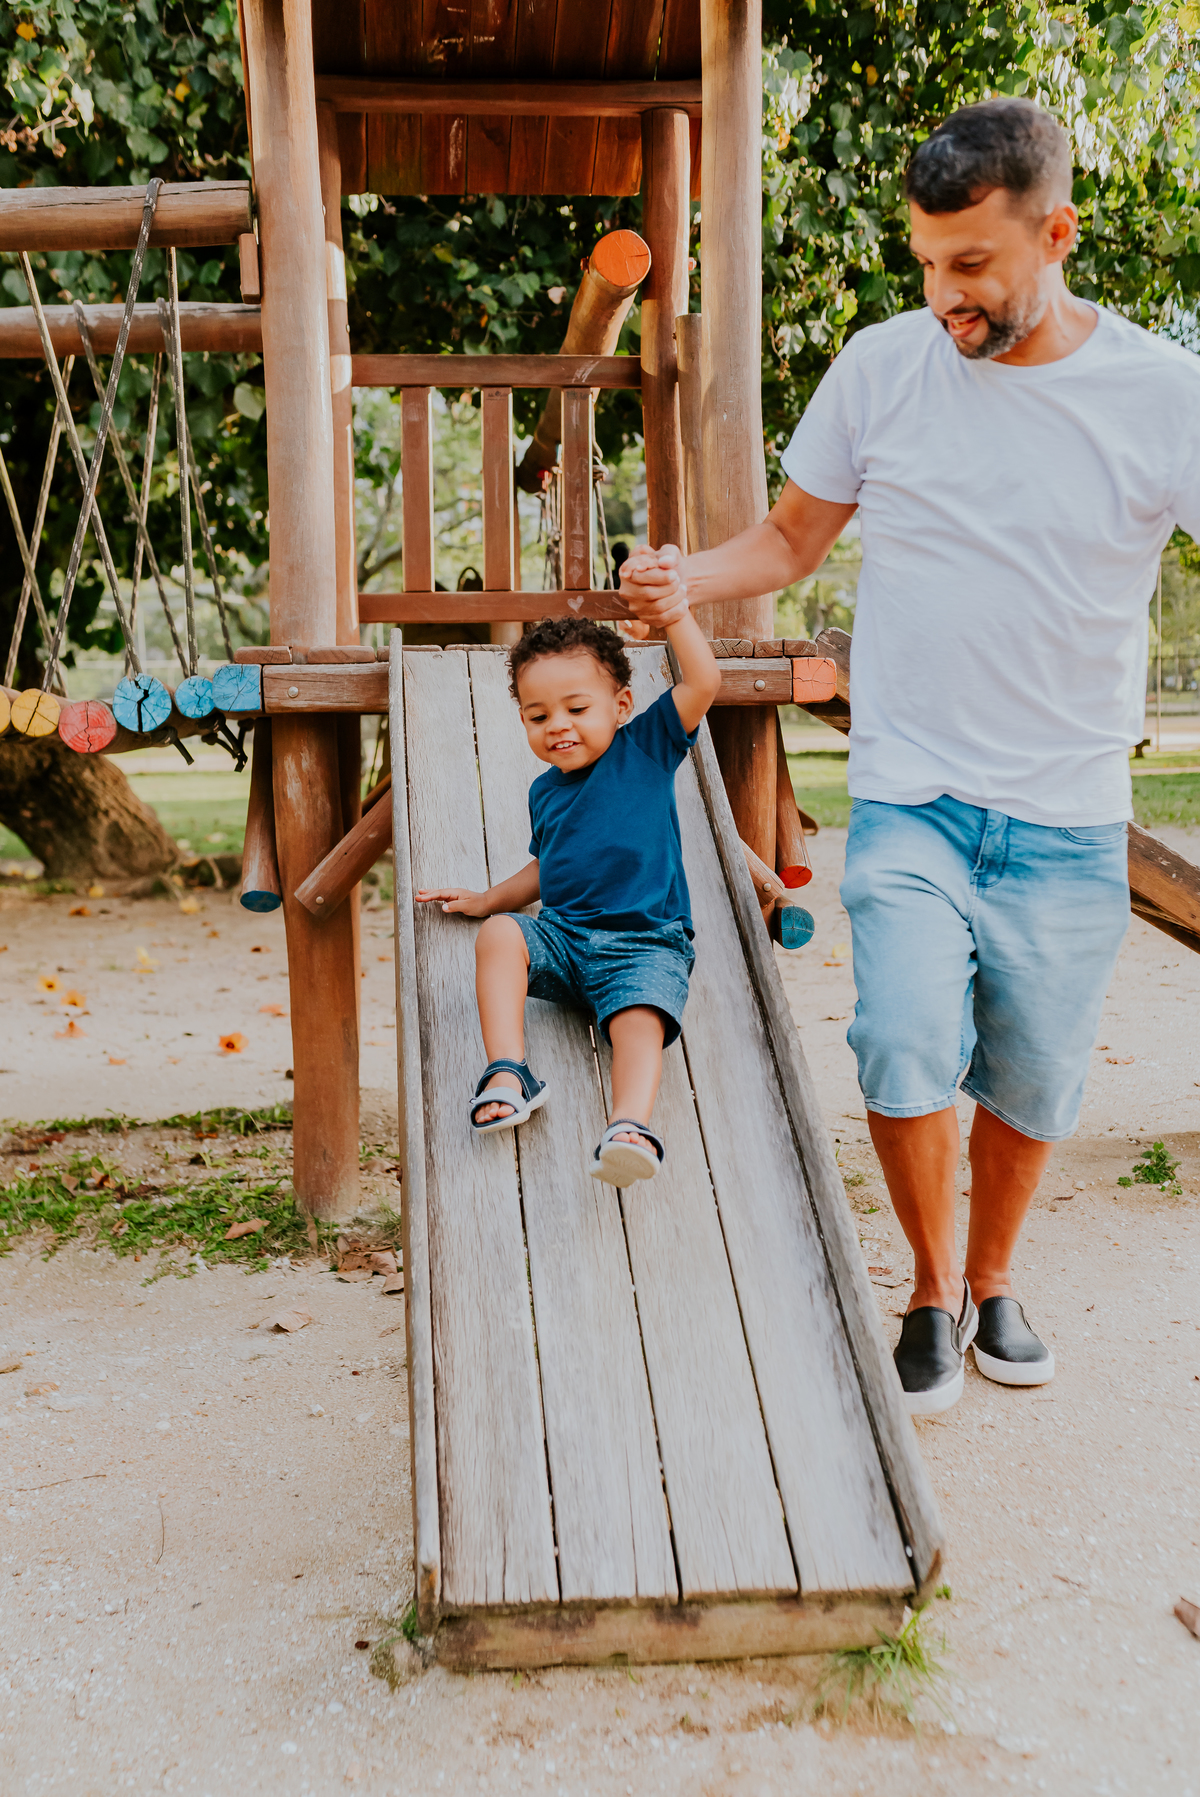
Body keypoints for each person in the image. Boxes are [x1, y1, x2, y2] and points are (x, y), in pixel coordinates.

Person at [620, 96, 1200, 1413]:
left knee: (1040, 1071)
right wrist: (683, 577)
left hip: (1065, 809)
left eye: (974, 265)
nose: (944, 294)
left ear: (1055, 233)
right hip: (913, 794)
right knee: (897, 1036)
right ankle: (932, 1291)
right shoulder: (884, 368)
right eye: (928, 262)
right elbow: (785, 543)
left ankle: (997, 1281)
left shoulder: (1165, 395)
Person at [415, 607, 721, 1186]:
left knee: (640, 1016)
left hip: (643, 943)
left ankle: (629, 1125)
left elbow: (703, 682)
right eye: (538, 716)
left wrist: (675, 612)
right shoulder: (544, 792)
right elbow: (545, 866)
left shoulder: (647, 748)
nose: (558, 725)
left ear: (621, 706)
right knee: (502, 933)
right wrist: (487, 901)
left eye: (577, 709)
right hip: (563, 938)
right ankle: (509, 1071)